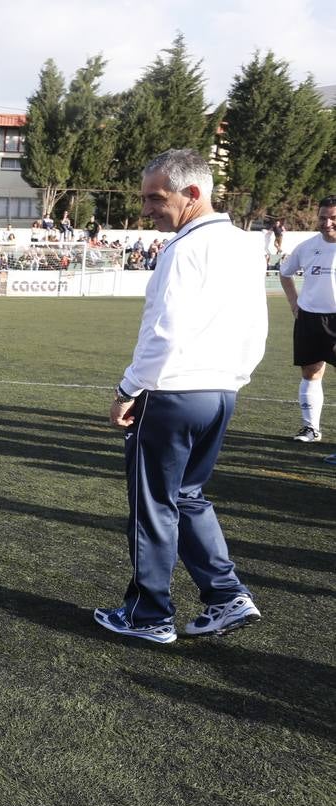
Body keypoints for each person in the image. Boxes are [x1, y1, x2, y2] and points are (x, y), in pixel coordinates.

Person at [94, 148, 267, 645]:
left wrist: (127, 389)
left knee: (153, 506)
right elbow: (257, 327)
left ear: (192, 194)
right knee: (189, 495)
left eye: (155, 197)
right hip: (220, 391)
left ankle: (150, 614)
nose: (147, 208)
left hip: (172, 392)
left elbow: (162, 334)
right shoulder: (242, 244)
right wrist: (234, 378)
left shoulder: (184, 249)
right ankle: (226, 594)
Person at [278, 195, 336, 445]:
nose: (327, 223)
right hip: (310, 318)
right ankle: (311, 428)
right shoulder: (307, 246)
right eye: (323, 218)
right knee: (310, 372)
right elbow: (285, 274)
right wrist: (294, 303)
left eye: (333, 218)